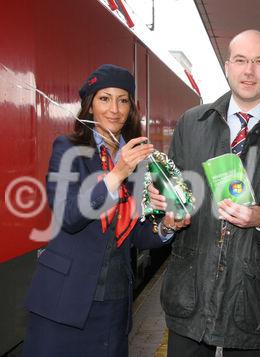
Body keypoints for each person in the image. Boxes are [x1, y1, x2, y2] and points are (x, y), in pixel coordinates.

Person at [152, 29, 260, 356]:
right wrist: (168, 214)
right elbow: (171, 194)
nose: (249, 70)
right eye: (241, 60)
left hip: (253, 300)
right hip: (190, 296)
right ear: (227, 66)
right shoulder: (191, 124)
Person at [23, 64, 187, 356]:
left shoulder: (139, 161)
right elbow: (69, 216)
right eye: (105, 98)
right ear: (90, 106)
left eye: (123, 100)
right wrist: (117, 173)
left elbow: (136, 234)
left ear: (131, 109)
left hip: (114, 304)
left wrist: (168, 226)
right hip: (63, 301)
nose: (114, 108)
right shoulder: (67, 150)